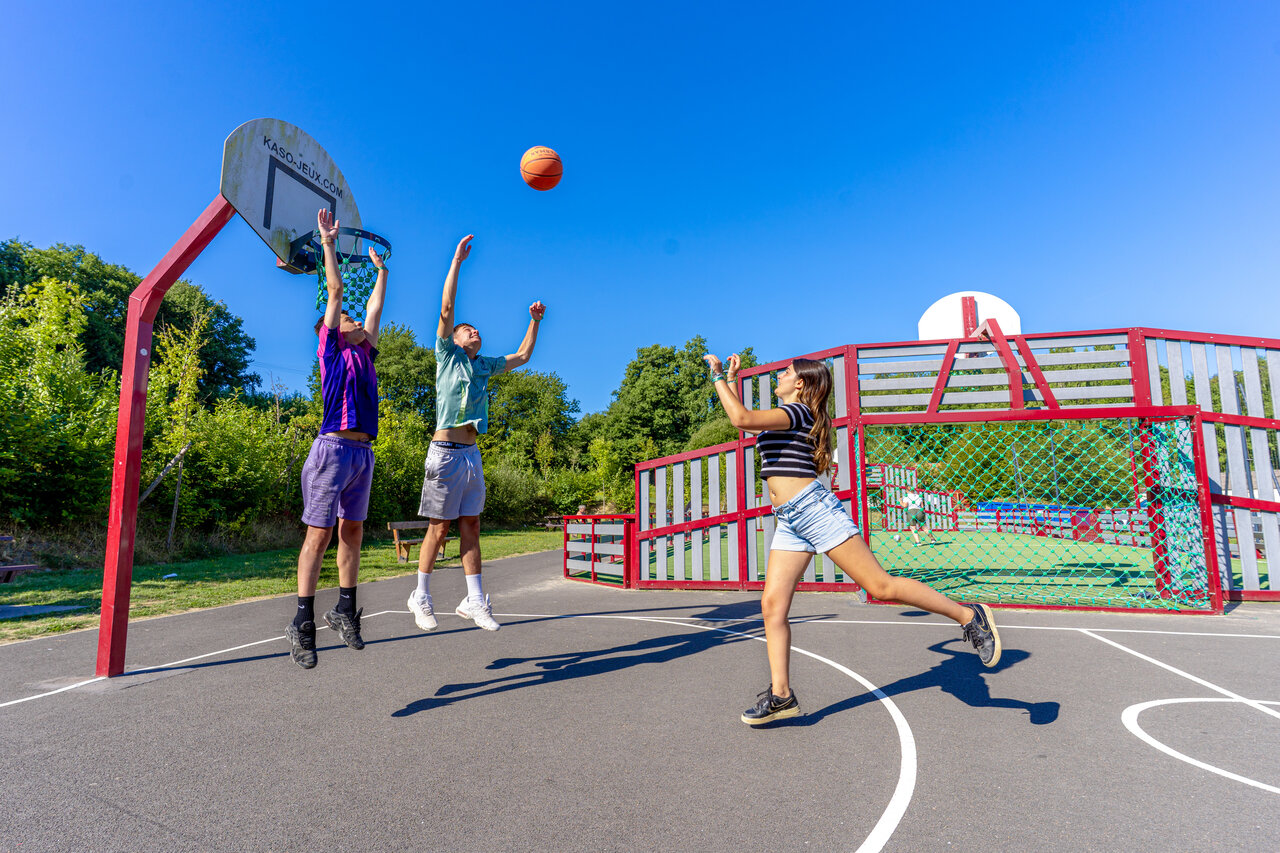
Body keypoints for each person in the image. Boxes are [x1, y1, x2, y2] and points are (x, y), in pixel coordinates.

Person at [702, 353, 1002, 725]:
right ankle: (782, 695)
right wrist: (730, 381)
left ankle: (968, 615)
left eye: (786, 372)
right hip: (790, 519)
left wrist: (716, 376)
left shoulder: (798, 412)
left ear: (800, 384)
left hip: (814, 510)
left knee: (881, 586)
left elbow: (741, 419)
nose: (779, 374)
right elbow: (745, 421)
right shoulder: (791, 415)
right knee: (771, 607)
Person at [407, 234, 546, 633]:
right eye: (467, 330)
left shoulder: (483, 365)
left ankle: (473, 598)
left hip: (471, 455)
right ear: (453, 339)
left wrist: (534, 322)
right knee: (440, 527)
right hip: (445, 452)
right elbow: (447, 308)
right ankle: (421, 594)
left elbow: (522, 357)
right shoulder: (446, 356)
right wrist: (456, 262)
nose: (474, 332)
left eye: (476, 330)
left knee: (472, 526)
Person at [286, 209, 388, 669]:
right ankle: (302, 623)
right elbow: (336, 290)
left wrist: (382, 272)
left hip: (362, 453)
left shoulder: (365, 350)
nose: (351, 318)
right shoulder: (330, 349)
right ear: (329, 329)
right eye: (343, 318)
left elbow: (373, 309)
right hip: (331, 449)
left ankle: (345, 610)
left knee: (353, 533)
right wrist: (328, 243)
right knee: (320, 534)